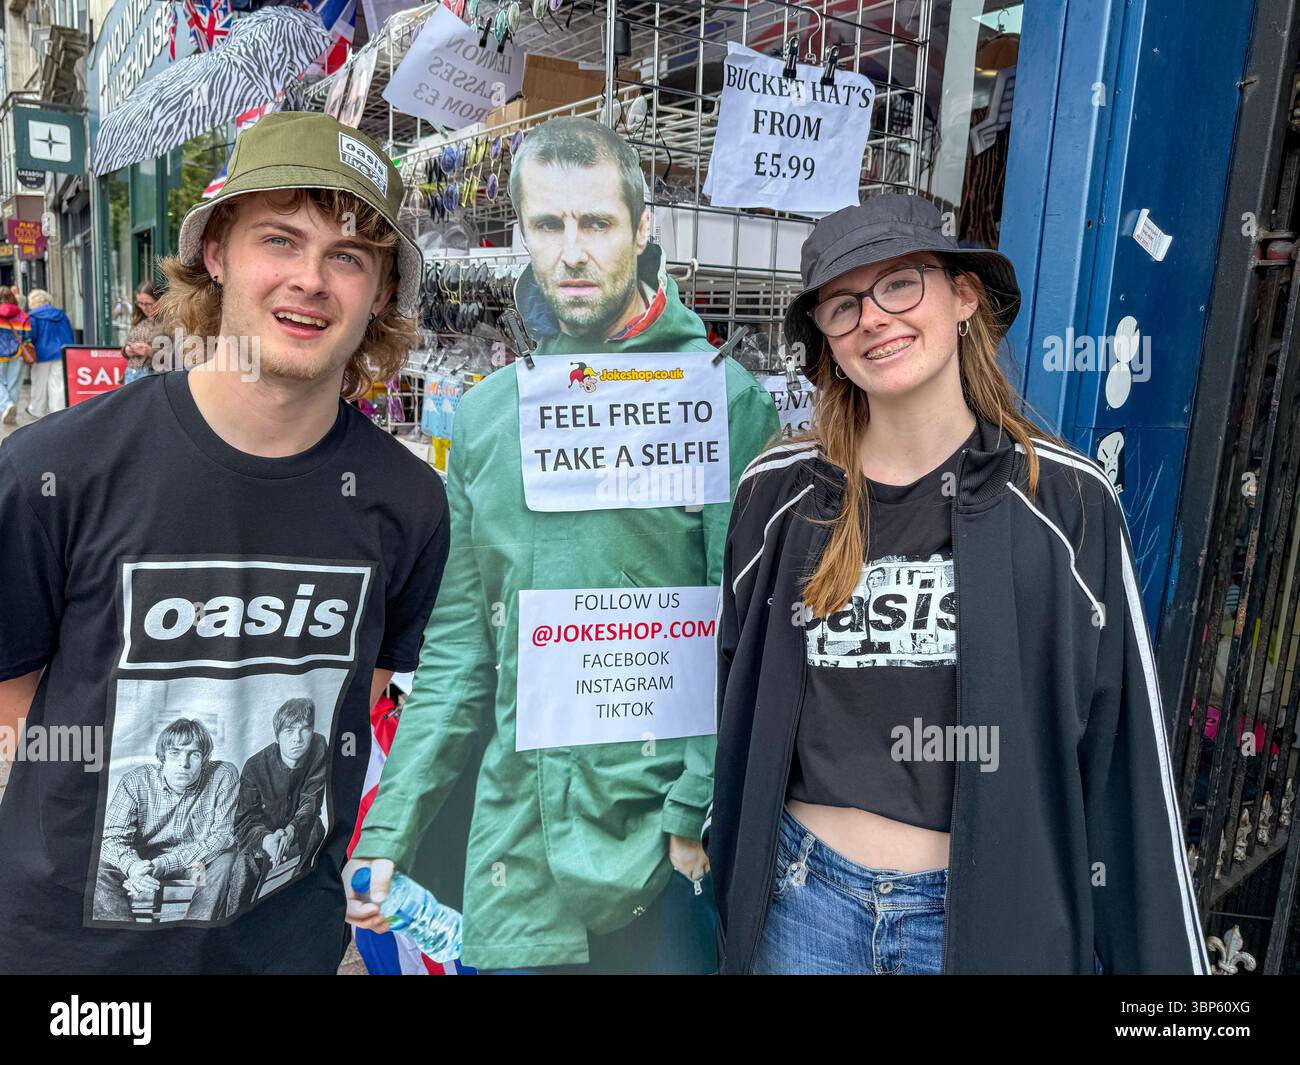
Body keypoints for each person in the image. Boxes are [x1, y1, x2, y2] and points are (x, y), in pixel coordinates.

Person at [706, 192, 1211, 975]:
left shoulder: (1066, 501)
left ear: (964, 296)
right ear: (826, 341)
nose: (873, 317)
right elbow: (734, 689)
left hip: (985, 919)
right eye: (843, 305)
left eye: (900, 283)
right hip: (803, 908)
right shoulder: (777, 494)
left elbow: (1124, 756)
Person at [0, 111, 450, 974]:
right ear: (217, 254)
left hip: (285, 949)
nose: (310, 280)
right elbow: (13, 706)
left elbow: (360, 701)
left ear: (381, 294)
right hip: (74, 965)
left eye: (349, 256)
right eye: (280, 239)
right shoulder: (56, 470)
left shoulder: (409, 503)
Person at [346, 116, 781, 974]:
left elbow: (743, 632)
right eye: (549, 225)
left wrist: (693, 803)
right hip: (523, 833)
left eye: (597, 223)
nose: (573, 251)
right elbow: (461, 650)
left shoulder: (722, 401)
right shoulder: (487, 416)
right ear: (519, 236)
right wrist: (393, 822)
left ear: (643, 229)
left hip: (665, 846)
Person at [93, 718, 239, 922]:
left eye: (194, 754)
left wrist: (164, 864)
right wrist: (134, 866)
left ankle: (194, 937)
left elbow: (222, 837)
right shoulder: (135, 781)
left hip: (196, 863)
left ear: (204, 759)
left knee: (226, 861)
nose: (184, 763)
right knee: (100, 867)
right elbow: (110, 838)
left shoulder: (223, 775)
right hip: (144, 860)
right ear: (162, 757)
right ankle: (123, 939)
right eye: (175, 753)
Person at [224, 697, 329, 915]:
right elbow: (244, 821)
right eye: (289, 731)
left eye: (304, 729)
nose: (297, 739)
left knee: (317, 828)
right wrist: (267, 840)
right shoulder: (254, 766)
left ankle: (297, 903)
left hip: (296, 830)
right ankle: (234, 922)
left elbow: (311, 800)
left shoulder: (319, 746)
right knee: (244, 863)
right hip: (261, 836)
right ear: (277, 735)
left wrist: (290, 831)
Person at [25, 289, 72, 417]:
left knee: (39, 382)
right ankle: (57, 411)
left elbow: (30, 336)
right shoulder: (60, 314)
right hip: (61, 352)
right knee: (57, 383)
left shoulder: (32, 316)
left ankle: (37, 410)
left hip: (41, 353)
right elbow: (69, 332)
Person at [123, 280, 166, 384]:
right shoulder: (139, 318)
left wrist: (150, 351)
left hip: (153, 375)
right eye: (140, 303)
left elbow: (178, 356)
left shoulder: (169, 322)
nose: (144, 308)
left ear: (160, 300)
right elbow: (126, 345)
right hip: (131, 374)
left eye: (148, 303)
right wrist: (127, 350)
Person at [0, 286, 32, 425]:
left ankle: (7, 405)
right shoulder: (23, 316)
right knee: (14, 384)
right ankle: (10, 409)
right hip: (17, 353)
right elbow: (27, 338)